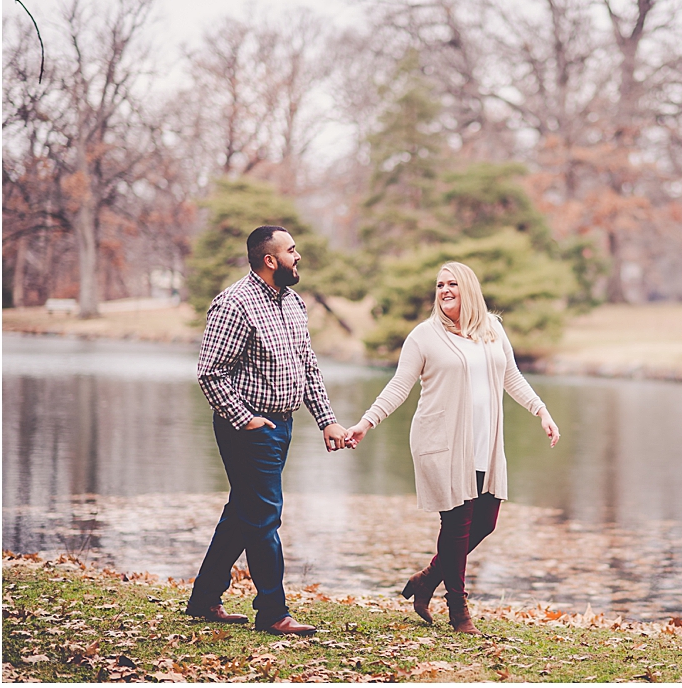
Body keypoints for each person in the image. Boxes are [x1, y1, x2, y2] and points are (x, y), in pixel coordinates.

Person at [338, 261, 559, 634]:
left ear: (468, 288)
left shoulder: (492, 329)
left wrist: (542, 411)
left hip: (484, 442)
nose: (444, 290)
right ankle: (459, 613)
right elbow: (398, 386)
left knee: (485, 521)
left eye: (452, 283)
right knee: (457, 524)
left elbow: (512, 377)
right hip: (440, 441)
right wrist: (366, 422)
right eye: (440, 284)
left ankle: (426, 579)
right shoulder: (423, 336)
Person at [185, 225, 348, 636]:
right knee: (264, 517)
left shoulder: (293, 303)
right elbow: (211, 373)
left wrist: (326, 419)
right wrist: (248, 420)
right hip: (248, 428)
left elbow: (307, 367)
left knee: (244, 513)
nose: (299, 257)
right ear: (270, 259)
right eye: (292, 250)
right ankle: (273, 611)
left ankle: (204, 598)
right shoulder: (235, 303)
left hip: (283, 424)